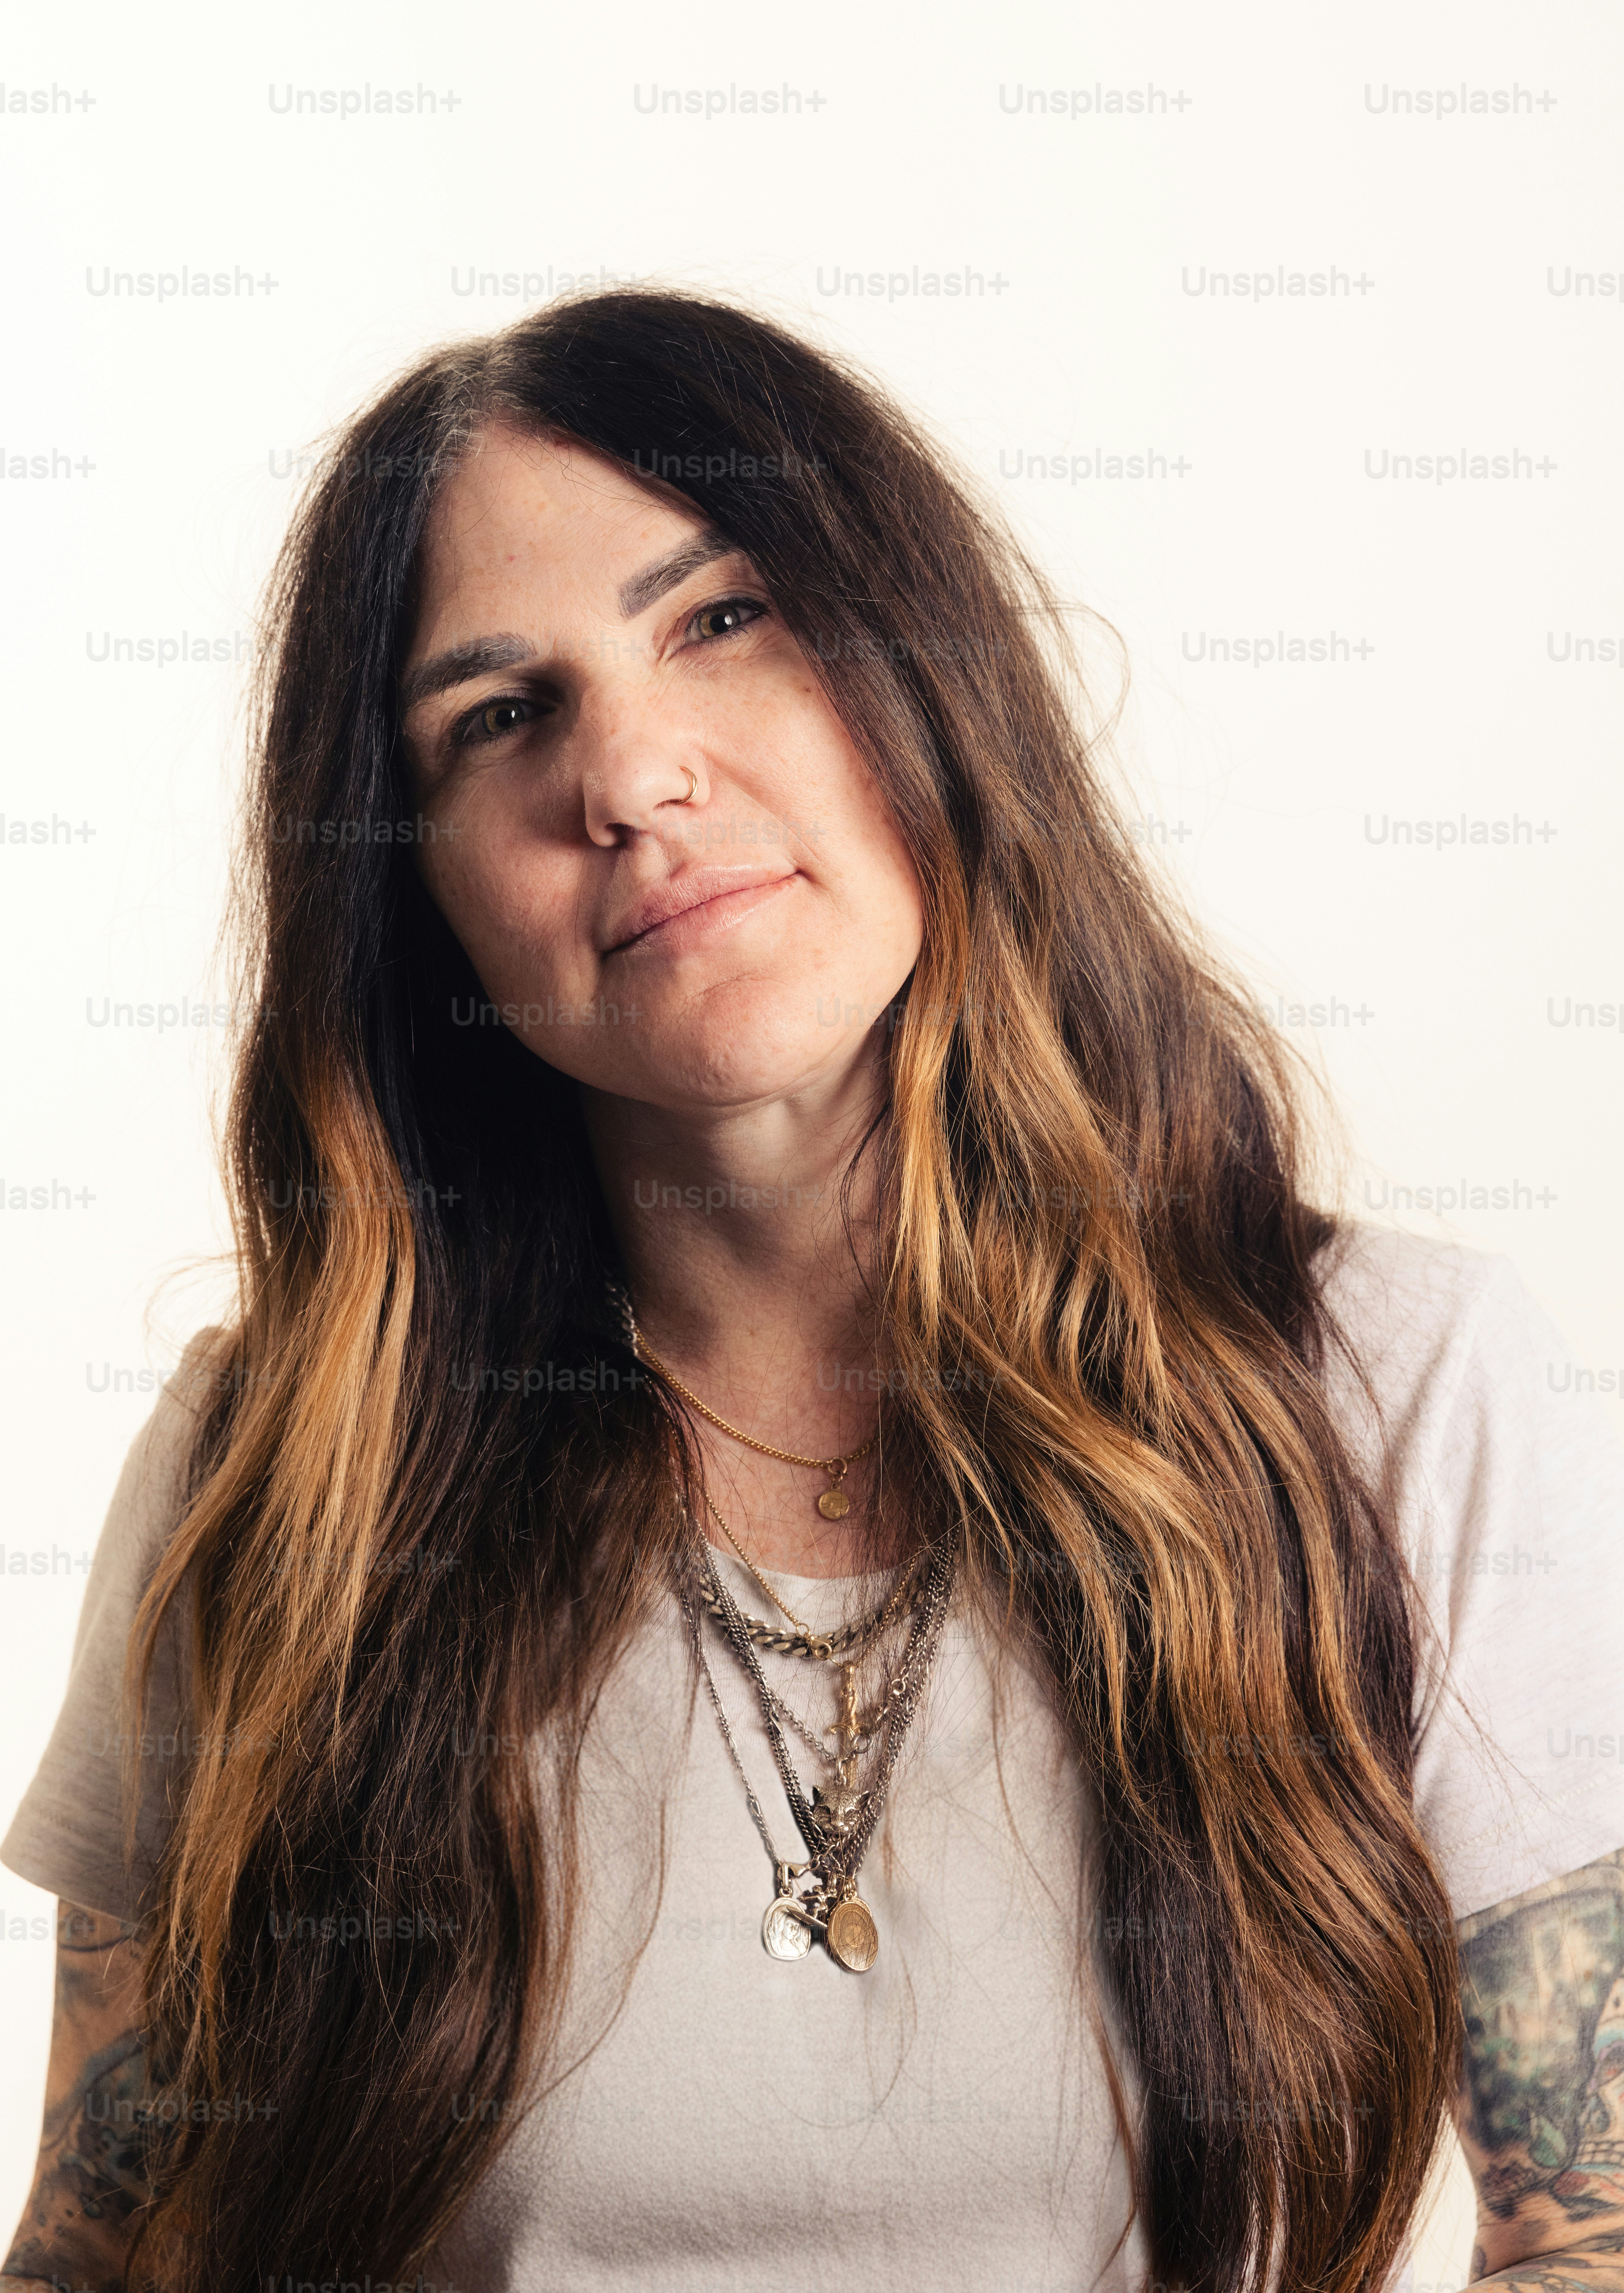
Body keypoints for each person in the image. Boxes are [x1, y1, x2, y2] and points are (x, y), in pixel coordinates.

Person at [3, 291, 1621, 2293]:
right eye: (498, 717)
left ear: (920, 668)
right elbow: (99, 2248)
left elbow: (1591, 2230)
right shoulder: (283, 1475)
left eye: (721, 619)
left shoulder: (1395, 1394)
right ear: (415, 892)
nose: (632, 778)